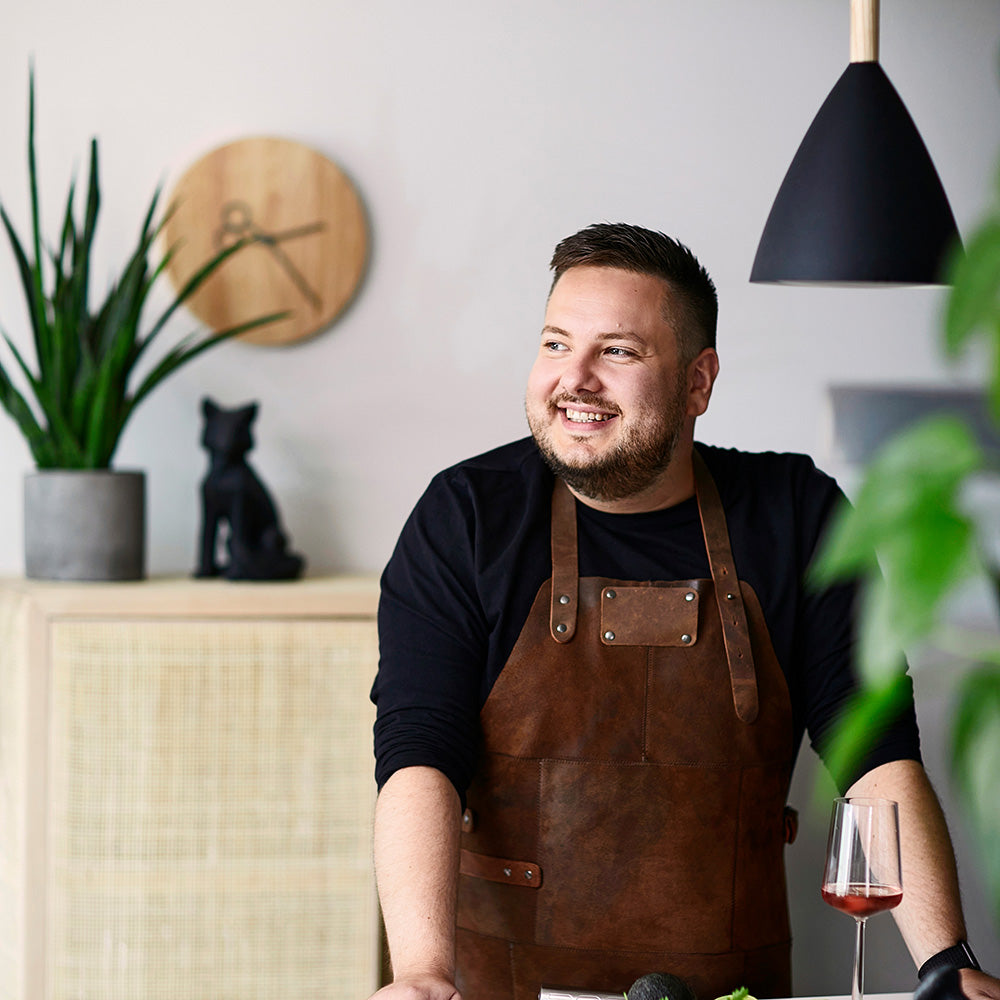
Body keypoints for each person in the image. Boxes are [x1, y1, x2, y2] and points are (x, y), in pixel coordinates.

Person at [369, 224, 999, 1000]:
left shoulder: (798, 514)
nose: (576, 379)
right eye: (557, 344)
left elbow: (873, 748)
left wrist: (947, 962)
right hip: (501, 987)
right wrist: (423, 975)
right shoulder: (465, 515)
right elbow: (418, 750)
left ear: (699, 383)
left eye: (619, 352)